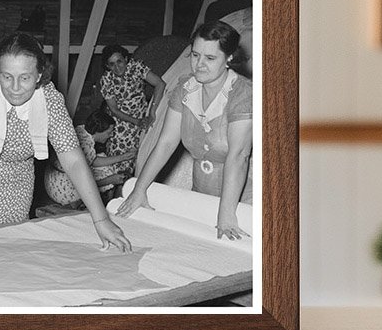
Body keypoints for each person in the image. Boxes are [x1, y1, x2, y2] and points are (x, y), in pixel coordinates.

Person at [0, 32, 131, 252]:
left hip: (18, 183)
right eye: (6, 77)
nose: (14, 87)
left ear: (39, 74)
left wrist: (101, 220)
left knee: (10, 248)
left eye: (25, 77)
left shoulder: (50, 100)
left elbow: (73, 161)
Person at [116, 20, 253, 241]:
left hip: (243, 202)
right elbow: (166, 143)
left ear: (229, 58)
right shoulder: (185, 89)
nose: (199, 64)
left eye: (210, 58)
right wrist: (139, 190)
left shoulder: (243, 95)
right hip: (201, 196)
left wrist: (227, 215)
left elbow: (238, 156)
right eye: (195, 55)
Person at [98, 44, 166, 175]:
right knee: (118, 163)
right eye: (112, 64)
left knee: (142, 158)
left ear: (125, 58)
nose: (117, 67)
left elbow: (160, 84)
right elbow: (114, 110)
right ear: (107, 66)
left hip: (143, 117)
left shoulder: (136, 67)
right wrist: (136, 122)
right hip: (120, 123)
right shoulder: (106, 80)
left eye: (119, 61)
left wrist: (152, 111)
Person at [43, 105, 129, 207]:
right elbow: (83, 182)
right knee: (109, 174)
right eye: (109, 133)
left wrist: (123, 157)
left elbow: (93, 160)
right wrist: (110, 180)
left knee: (104, 161)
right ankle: (102, 207)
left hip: (51, 180)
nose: (110, 136)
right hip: (63, 190)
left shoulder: (81, 130)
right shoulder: (86, 146)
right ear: (98, 131)